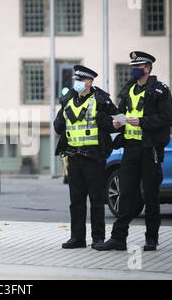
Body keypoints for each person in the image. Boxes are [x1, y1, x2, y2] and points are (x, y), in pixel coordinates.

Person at [95, 51, 172, 252]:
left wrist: (142, 122)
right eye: (132, 67)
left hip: (150, 150)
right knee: (126, 193)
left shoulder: (160, 90)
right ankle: (118, 239)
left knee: (150, 195)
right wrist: (117, 122)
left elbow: (166, 117)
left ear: (147, 68)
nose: (133, 70)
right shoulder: (129, 89)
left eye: (137, 67)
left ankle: (151, 239)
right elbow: (123, 114)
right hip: (130, 148)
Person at [54, 65, 118, 249]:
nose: (78, 83)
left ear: (90, 82)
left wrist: (103, 119)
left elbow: (119, 121)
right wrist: (61, 115)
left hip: (93, 157)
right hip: (73, 157)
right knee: (76, 201)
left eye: (82, 80)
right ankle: (77, 238)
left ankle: (98, 238)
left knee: (96, 200)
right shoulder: (68, 101)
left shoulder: (100, 100)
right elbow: (58, 127)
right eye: (77, 80)